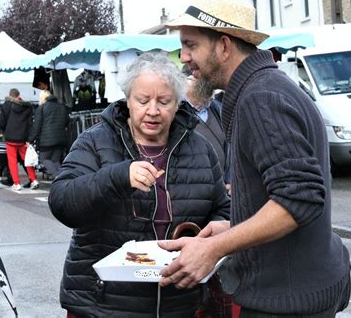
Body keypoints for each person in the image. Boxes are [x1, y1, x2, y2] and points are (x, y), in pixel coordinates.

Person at [159, 0, 351, 317]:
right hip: (301, 289)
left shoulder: (259, 100)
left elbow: (299, 199)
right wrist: (236, 224)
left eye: (191, 45)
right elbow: (283, 193)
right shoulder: (267, 87)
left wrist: (214, 248)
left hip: (287, 301)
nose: (184, 58)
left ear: (223, 45)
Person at [48, 52, 230, 317]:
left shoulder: (200, 148)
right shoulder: (96, 142)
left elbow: (220, 209)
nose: (153, 111)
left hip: (179, 303)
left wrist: (217, 231)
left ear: (177, 103)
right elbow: (62, 202)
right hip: (105, 303)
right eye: (143, 100)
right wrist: (117, 177)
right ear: (128, 101)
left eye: (164, 101)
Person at [183, 67, 232, 194]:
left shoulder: (219, 110)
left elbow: (232, 147)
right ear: (184, 81)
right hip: (192, 193)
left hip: (223, 193)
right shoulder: (177, 114)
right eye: (197, 79)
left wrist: (230, 180)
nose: (206, 84)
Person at [0, 88, 39, 191]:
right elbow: (30, 124)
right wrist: (29, 138)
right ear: (19, 95)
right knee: (27, 160)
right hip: (23, 138)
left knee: (12, 161)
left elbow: (0, 122)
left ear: (10, 95)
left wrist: (4, 130)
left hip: (11, 138)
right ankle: (34, 180)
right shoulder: (27, 107)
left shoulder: (6, 105)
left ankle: (17, 183)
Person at [28, 89, 70, 179]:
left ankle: (59, 177)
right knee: (55, 161)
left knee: (44, 159)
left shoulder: (42, 108)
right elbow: (67, 121)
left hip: (47, 140)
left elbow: (37, 126)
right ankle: (64, 178)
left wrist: (30, 139)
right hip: (61, 138)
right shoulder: (62, 107)